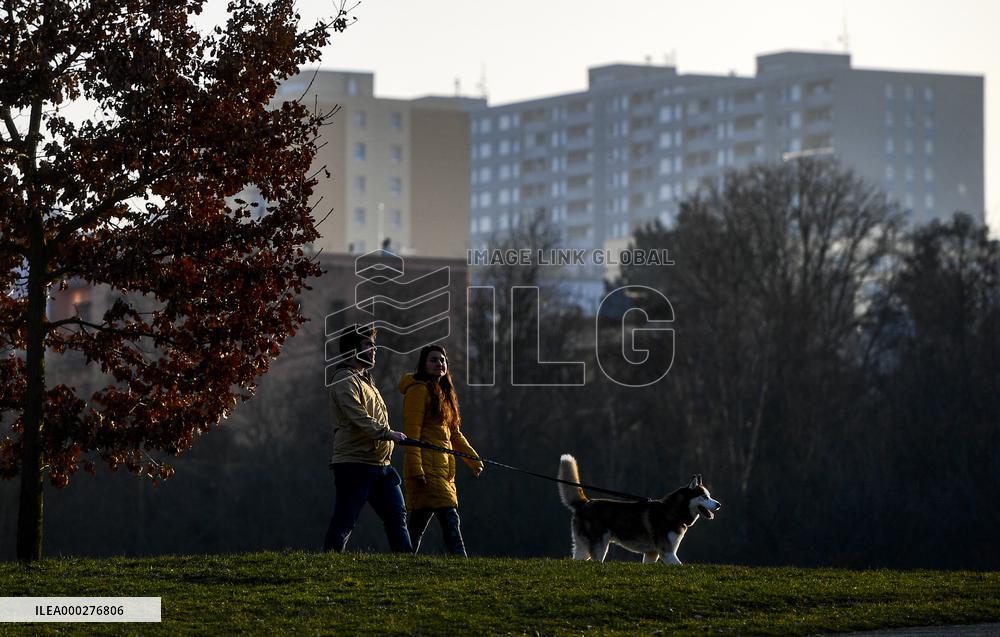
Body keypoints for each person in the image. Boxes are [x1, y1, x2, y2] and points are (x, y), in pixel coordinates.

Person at [323, 324, 412, 553]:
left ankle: (409, 569)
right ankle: (328, 565)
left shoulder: (366, 381)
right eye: (369, 344)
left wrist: (388, 437)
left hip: (381, 464)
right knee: (345, 520)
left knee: (397, 517)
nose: (374, 349)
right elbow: (359, 418)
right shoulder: (343, 379)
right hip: (354, 464)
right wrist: (388, 433)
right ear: (353, 350)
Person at [398, 344, 483, 556]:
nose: (439, 364)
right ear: (423, 364)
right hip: (426, 468)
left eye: (442, 360)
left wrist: (473, 460)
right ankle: (461, 560)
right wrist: (417, 470)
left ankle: (402, 559)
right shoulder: (418, 390)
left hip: (443, 469)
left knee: (418, 521)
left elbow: (454, 434)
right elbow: (412, 434)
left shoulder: (443, 394)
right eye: (433, 360)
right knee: (449, 517)